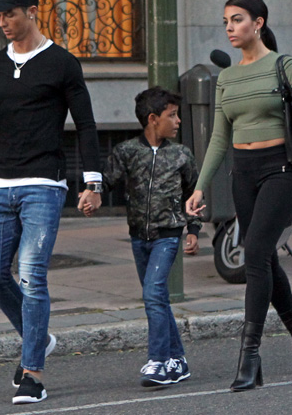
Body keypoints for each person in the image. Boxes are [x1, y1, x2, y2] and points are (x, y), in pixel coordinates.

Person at [0, 0, 103, 405]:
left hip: (44, 183)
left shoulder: (62, 63)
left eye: (10, 13)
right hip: (0, 184)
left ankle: (33, 373)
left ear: (32, 11)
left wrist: (92, 182)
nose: (3, 21)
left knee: (32, 275)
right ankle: (39, 338)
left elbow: (87, 125)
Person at [185, 0, 292, 392]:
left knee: (256, 256)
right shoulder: (226, 78)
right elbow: (218, 139)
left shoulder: (282, 66)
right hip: (242, 174)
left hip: (282, 169)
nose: (230, 27)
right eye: (226, 20)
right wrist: (199, 187)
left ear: (258, 23)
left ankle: (250, 356)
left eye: (238, 19)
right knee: (263, 256)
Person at [82, 87, 202, 387]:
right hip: (139, 237)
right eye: (171, 115)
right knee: (157, 297)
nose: (177, 121)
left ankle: (159, 361)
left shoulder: (181, 155)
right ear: (152, 119)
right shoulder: (126, 152)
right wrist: (92, 193)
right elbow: (107, 180)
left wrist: (193, 230)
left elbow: (193, 194)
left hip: (168, 235)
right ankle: (178, 360)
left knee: (152, 295)